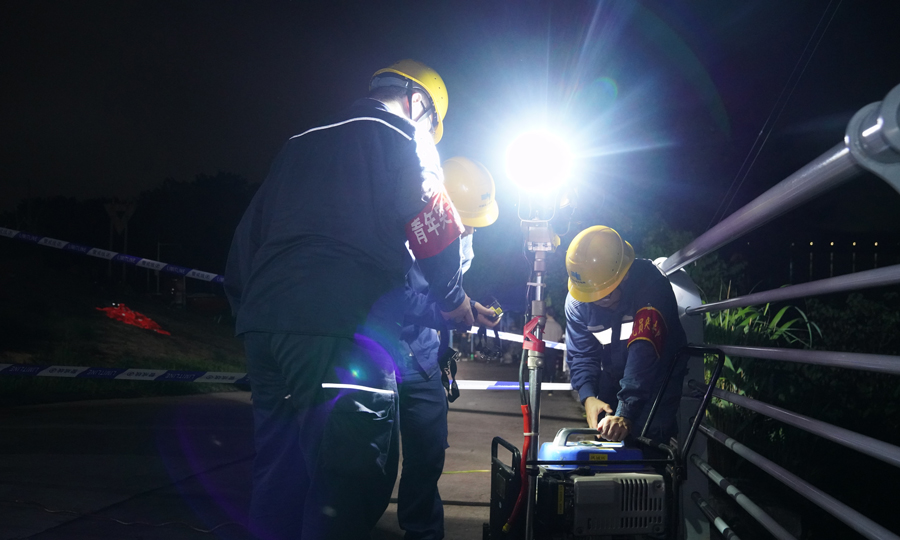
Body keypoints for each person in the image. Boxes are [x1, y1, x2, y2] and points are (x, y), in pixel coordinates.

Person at [224, 59, 475, 540]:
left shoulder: (301, 142)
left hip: (265, 330)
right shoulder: (405, 137)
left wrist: (253, 316)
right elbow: (435, 223)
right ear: (418, 102)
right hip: (345, 331)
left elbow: (245, 243)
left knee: (279, 476)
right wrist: (452, 299)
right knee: (350, 483)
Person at [396, 156, 500, 540]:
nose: (471, 230)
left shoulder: (459, 237)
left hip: (421, 358)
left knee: (428, 453)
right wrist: (449, 315)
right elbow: (400, 299)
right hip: (380, 354)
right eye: (467, 222)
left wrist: (468, 307)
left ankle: (423, 531)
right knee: (374, 460)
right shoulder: (398, 241)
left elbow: (447, 289)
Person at [564, 226, 687, 444]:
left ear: (625, 274)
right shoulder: (577, 301)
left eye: (603, 294)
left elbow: (645, 350)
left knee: (651, 445)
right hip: (613, 381)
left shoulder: (651, 284)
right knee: (607, 441)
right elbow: (581, 355)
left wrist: (626, 412)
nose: (594, 299)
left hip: (658, 379)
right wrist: (589, 397)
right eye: (589, 294)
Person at [541, 308, 563, 382]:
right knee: (551, 367)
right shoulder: (558, 326)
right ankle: (550, 387)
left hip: (543, 348)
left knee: (542, 366)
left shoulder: (542, 325)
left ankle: (540, 385)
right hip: (553, 349)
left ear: (546, 314)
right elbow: (559, 337)